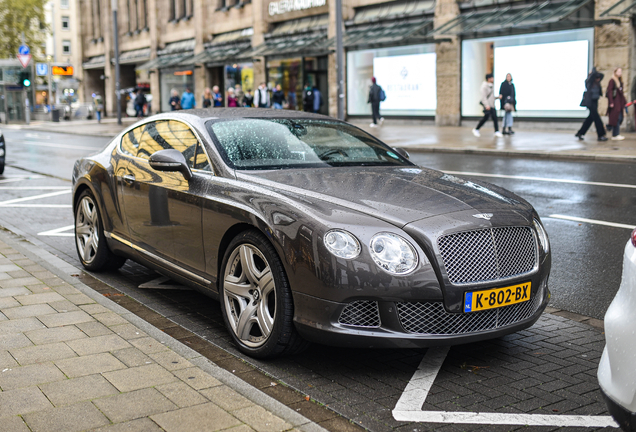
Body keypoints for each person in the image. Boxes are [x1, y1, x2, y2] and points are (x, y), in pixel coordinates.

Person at [576, 68, 608, 141]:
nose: (598, 78)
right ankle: (601, 134)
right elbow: (592, 77)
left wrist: (595, 72)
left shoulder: (597, 83)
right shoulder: (589, 82)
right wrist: (593, 72)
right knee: (597, 118)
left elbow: (602, 75)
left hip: (595, 101)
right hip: (590, 102)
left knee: (590, 119)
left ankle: (580, 133)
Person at [472, 73, 503, 137]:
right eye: (492, 78)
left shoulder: (491, 86)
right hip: (488, 106)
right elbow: (484, 97)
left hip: (492, 105)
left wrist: (497, 97)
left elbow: (492, 97)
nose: (493, 79)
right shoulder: (484, 86)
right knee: (485, 118)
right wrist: (486, 105)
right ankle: (476, 129)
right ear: (489, 79)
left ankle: (496, 131)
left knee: (495, 118)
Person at [606, 67, 626, 141]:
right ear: (615, 72)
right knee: (616, 118)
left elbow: (621, 93)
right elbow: (610, 92)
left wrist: (624, 102)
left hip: (619, 103)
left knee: (619, 118)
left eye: (621, 72)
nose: (620, 73)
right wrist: (611, 102)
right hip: (615, 103)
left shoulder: (620, 81)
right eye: (619, 72)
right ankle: (615, 134)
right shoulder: (612, 81)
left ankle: (612, 129)